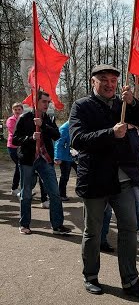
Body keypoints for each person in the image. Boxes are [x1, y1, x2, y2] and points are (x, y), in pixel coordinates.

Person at [69, 64, 139, 298]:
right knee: (93, 232)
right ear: (93, 81)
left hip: (123, 180)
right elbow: (78, 139)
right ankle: (91, 276)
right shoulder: (82, 106)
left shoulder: (121, 104)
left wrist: (133, 101)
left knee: (129, 228)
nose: (109, 84)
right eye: (103, 79)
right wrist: (110, 133)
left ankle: (131, 280)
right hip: (95, 179)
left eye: (113, 81)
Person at [12, 90, 71, 236]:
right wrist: (31, 138)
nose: (47, 104)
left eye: (48, 101)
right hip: (28, 160)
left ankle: (57, 226)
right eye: (44, 101)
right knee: (26, 193)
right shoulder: (25, 117)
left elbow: (57, 135)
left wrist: (43, 125)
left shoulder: (48, 118)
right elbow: (15, 140)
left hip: (45, 160)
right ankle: (24, 224)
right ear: (35, 102)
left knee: (54, 193)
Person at [54, 121, 77, 201]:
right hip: (65, 157)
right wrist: (57, 157)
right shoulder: (64, 128)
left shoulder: (79, 125)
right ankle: (61, 194)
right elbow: (58, 143)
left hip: (76, 155)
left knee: (82, 174)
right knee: (65, 176)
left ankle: (82, 191)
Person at [6, 102, 23, 196]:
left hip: (21, 146)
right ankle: (14, 188)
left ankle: (22, 188)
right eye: (15, 110)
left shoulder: (24, 119)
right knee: (19, 165)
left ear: (22, 110)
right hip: (12, 147)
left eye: (19, 109)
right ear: (13, 111)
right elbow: (15, 132)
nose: (17, 111)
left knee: (21, 166)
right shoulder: (11, 120)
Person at [18, 26, 34, 95]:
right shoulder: (22, 43)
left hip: (31, 62)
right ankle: (30, 98)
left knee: (31, 81)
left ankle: (35, 98)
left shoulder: (35, 43)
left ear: (31, 32)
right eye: (24, 31)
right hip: (23, 62)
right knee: (25, 82)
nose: (25, 32)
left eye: (27, 31)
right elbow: (19, 54)